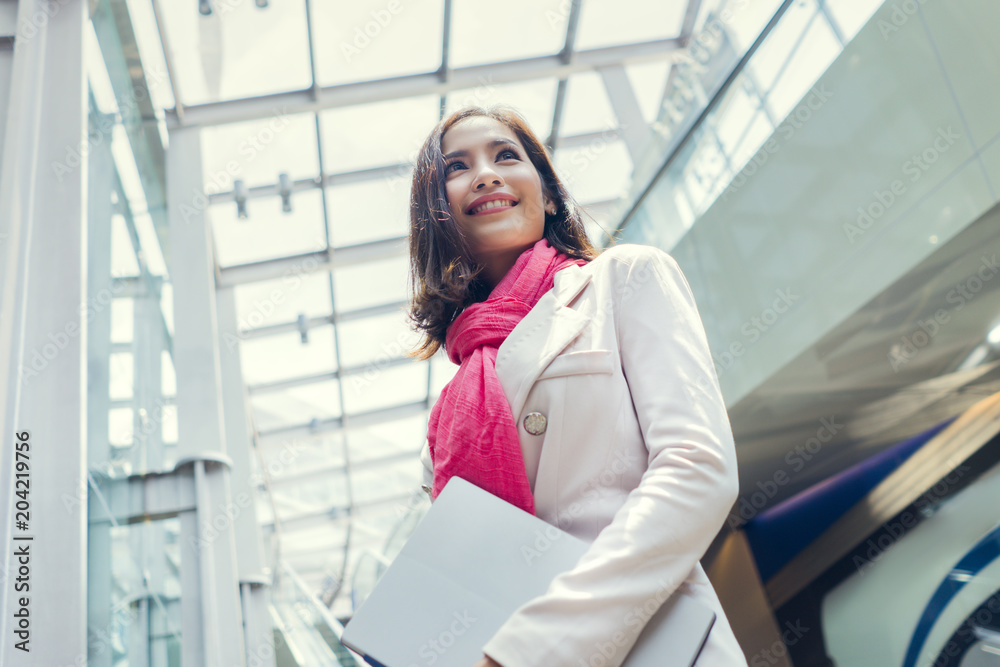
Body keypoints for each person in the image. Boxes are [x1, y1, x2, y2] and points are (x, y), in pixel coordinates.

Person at [405, 104, 747, 667]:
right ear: (439, 215)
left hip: (643, 647)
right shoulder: (448, 413)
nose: (486, 173)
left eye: (505, 155)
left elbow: (697, 468)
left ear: (551, 194)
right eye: (456, 168)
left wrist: (535, 651)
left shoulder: (624, 279)